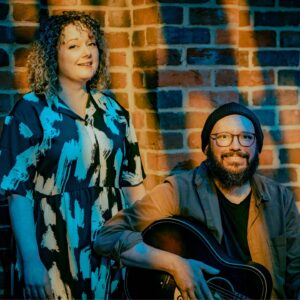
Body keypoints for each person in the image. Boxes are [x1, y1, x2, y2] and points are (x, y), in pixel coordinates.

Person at [0, 11, 146, 299]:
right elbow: (18, 194)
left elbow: (133, 187)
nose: (87, 52)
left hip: (112, 249)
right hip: (51, 248)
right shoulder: (30, 111)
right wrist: (31, 260)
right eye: (73, 45)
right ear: (52, 54)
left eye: (91, 43)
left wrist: (148, 241)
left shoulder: (115, 114)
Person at [94, 102, 300, 300]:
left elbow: (296, 271)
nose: (235, 146)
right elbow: (108, 236)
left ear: (257, 146)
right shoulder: (179, 191)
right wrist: (176, 265)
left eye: (246, 137)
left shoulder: (280, 200)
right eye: (223, 137)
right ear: (207, 147)